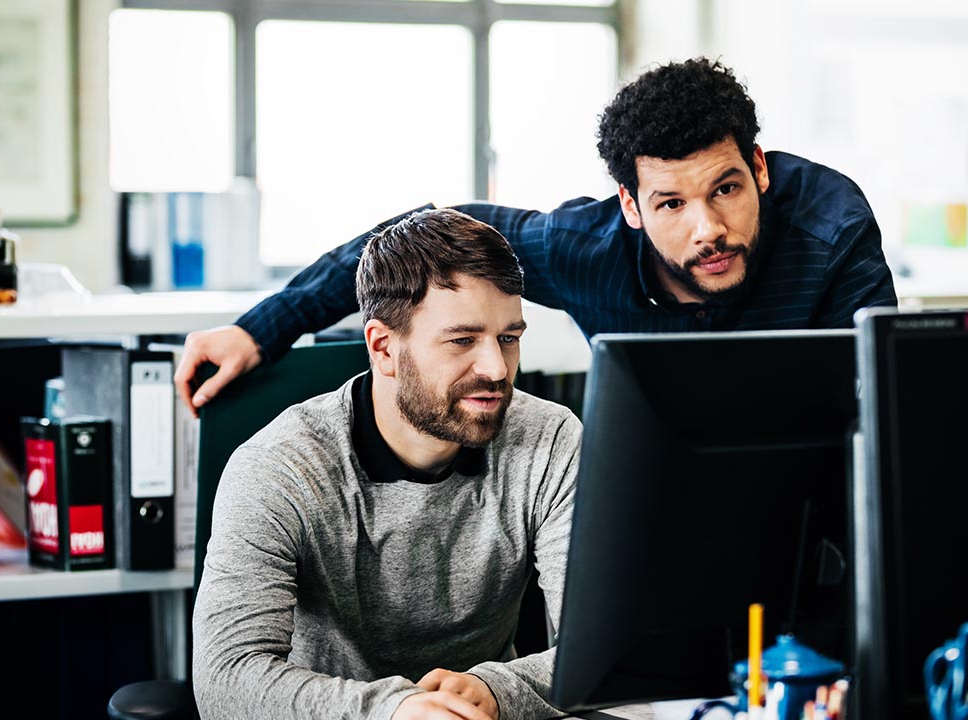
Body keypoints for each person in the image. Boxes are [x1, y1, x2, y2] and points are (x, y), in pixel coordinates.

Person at [175, 58, 897, 416]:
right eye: (671, 203)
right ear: (631, 205)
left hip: (813, 481)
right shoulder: (584, 248)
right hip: (663, 491)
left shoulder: (829, 227)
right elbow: (414, 234)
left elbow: (884, 404)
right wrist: (260, 328)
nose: (708, 229)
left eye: (727, 189)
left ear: (759, 169)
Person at [192, 208, 581, 720]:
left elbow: (604, 647)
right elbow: (225, 679)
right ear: (383, 348)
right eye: (462, 340)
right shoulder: (279, 467)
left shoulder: (551, 439)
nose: (496, 368)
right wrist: (396, 711)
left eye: (508, 338)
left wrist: (493, 690)